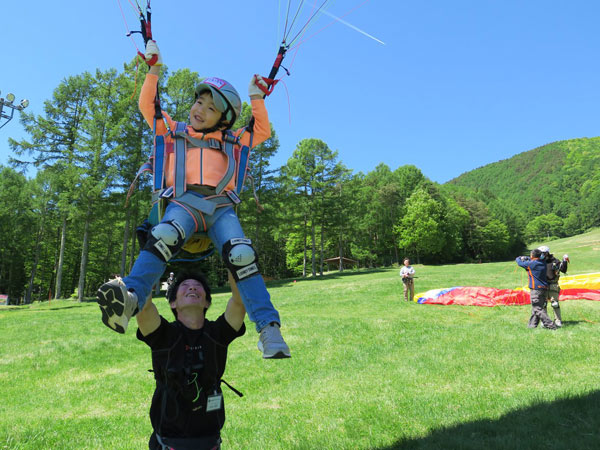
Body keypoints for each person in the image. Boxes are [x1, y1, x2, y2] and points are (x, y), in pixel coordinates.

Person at [96, 40, 290, 359]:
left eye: (210, 107)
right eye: (199, 102)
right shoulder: (175, 131)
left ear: (224, 118)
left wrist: (256, 98)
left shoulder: (233, 140)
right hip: (183, 204)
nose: (199, 110)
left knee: (242, 254)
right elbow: (149, 105)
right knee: (163, 236)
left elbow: (262, 130)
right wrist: (154, 71)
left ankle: (269, 328)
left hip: (221, 207)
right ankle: (130, 296)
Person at [137, 270, 245, 449]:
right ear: (173, 303)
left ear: (207, 302)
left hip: (209, 441)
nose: (192, 287)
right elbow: (143, 307)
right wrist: (151, 265)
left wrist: (232, 257)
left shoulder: (217, 334)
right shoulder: (164, 335)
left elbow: (239, 303)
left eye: (198, 286)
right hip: (168, 442)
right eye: (184, 286)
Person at [516, 249, 557, 330]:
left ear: (532, 256)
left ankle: (550, 325)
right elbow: (533, 259)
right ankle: (531, 326)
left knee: (537, 309)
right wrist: (527, 258)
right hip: (543, 289)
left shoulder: (532, 264)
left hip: (536, 290)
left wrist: (519, 257)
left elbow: (519, 262)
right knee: (536, 308)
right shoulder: (543, 262)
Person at [538, 246, 569, 327]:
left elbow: (563, 270)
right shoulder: (538, 261)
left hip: (553, 284)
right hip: (542, 285)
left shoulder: (555, 261)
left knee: (555, 303)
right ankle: (545, 321)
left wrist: (564, 261)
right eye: (540, 253)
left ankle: (558, 320)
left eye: (543, 253)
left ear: (547, 253)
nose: (542, 255)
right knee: (543, 304)